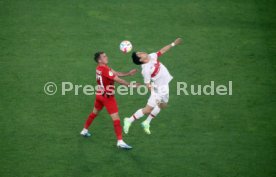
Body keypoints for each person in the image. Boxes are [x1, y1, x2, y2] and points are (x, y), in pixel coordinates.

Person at [80, 51, 139, 149]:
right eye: (104, 56)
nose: (106, 57)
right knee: (116, 119)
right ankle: (120, 141)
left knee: (94, 113)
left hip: (99, 94)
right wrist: (131, 85)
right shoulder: (105, 70)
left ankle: (84, 130)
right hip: (108, 97)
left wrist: (128, 73)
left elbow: (115, 73)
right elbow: (118, 80)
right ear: (99, 60)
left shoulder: (99, 68)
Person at [124, 38, 182, 134]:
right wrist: (154, 95)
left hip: (164, 86)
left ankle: (147, 122)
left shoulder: (151, 56)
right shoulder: (146, 70)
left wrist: (173, 44)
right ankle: (128, 120)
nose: (141, 52)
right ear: (141, 59)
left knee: (162, 105)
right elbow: (147, 83)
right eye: (139, 54)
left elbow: (162, 51)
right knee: (147, 110)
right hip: (158, 89)